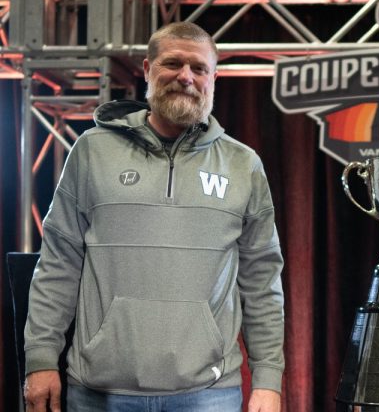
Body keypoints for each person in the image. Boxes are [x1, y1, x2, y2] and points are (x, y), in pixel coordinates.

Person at [23, 22, 284, 412]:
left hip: (209, 396)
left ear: (214, 78)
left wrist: (267, 378)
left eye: (198, 68)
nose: (185, 76)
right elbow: (58, 265)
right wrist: (41, 359)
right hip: (99, 393)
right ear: (147, 69)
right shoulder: (92, 151)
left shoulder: (243, 165)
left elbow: (262, 281)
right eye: (173, 63)